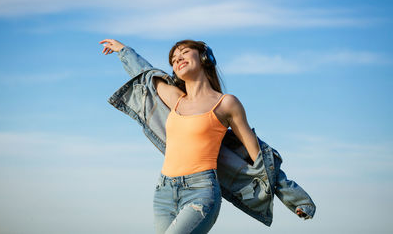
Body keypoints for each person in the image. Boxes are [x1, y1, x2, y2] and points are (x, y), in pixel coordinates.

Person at [99, 39, 310, 233]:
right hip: (164, 192)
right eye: (173, 59)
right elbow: (147, 75)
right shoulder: (176, 100)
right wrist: (124, 51)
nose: (177, 59)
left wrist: (297, 200)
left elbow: (260, 159)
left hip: (200, 192)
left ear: (203, 58)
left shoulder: (226, 104)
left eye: (184, 52)